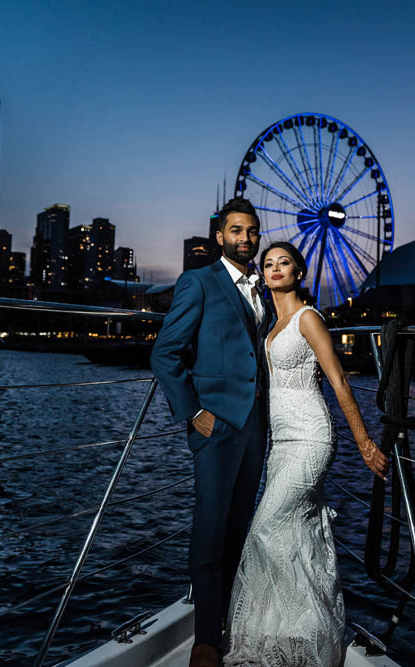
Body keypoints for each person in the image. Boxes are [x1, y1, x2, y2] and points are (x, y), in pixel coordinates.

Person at [224, 241, 388, 666]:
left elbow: (339, 383)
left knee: (264, 527)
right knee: (296, 534)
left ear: (299, 272)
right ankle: (294, 634)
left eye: (284, 262)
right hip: (280, 443)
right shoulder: (268, 326)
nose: (275, 268)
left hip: (312, 438)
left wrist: (365, 443)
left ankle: (301, 630)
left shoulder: (308, 319)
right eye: (268, 263)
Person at [149, 197, 271, 667]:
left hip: (256, 424)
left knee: (241, 525)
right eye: (237, 231)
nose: (246, 238)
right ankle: (205, 637)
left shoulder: (263, 291)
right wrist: (194, 413)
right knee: (209, 527)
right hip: (217, 424)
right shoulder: (197, 282)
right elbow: (166, 353)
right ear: (220, 237)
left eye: (253, 231)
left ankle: (230, 616)